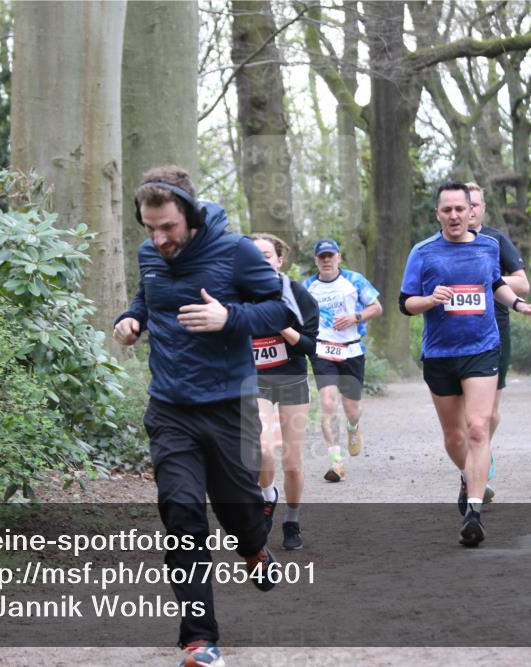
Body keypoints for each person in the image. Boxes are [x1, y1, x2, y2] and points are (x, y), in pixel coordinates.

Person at [114, 166, 295, 667]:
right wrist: (130, 320)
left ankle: (254, 548)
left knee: (239, 514)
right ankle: (200, 639)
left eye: (168, 227)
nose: (159, 239)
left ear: (191, 216)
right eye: (150, 228)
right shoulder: (150, 253)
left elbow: (283, 312)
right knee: (182, 515)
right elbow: (147, 297)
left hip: (228, 406)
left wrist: (229, 317)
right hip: (170, 408)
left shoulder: (235, 252)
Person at [399, 182, 531, 547]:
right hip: (440, 354)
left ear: (471, 211)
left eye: (460, 209)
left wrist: (520, 306)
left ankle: (474, 514)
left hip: (482, 348)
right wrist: (429, 299)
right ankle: (468, 476)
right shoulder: (423, 252)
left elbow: (494, 284)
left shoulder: (489, 246)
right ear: (438, 214)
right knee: (455, 437)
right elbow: (405, 303)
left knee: (478, 428)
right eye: (446, 210)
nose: (454, 215)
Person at [249, 233, 319, 551]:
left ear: (279, 259)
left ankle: (292, 520)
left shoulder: (297, 295)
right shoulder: (237, 293)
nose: (260, 261)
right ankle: (268, 497)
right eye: (254, 255)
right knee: (263, 450)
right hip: (255, 381)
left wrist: (281, 325)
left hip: (291, 380)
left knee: (292, 462)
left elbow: (311, 346)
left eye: (266, 255)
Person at [466, 182, 531, 500]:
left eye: (475, 204)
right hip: (456, 332)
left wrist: (487, 278)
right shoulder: (441, 244)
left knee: (489, 412)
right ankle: (472, 461)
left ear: (482, 208)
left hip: (495, 328)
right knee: (466, 413)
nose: (469, 210)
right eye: (464, 204)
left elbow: (523, 284)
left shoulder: (496, 240)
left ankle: (483, 455)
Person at [303, 239, 382, 482]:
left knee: (352, 409)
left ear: (339, 257)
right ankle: (336, 463)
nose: (326, 260)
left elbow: (376, 307)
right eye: (322, 257)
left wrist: (355, 317)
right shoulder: (307, 286)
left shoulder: (354, 280)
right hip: (323, 350)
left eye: (331, 255)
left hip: (352, 351)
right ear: (316, 260)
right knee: (328, 404)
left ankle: (353, 427)